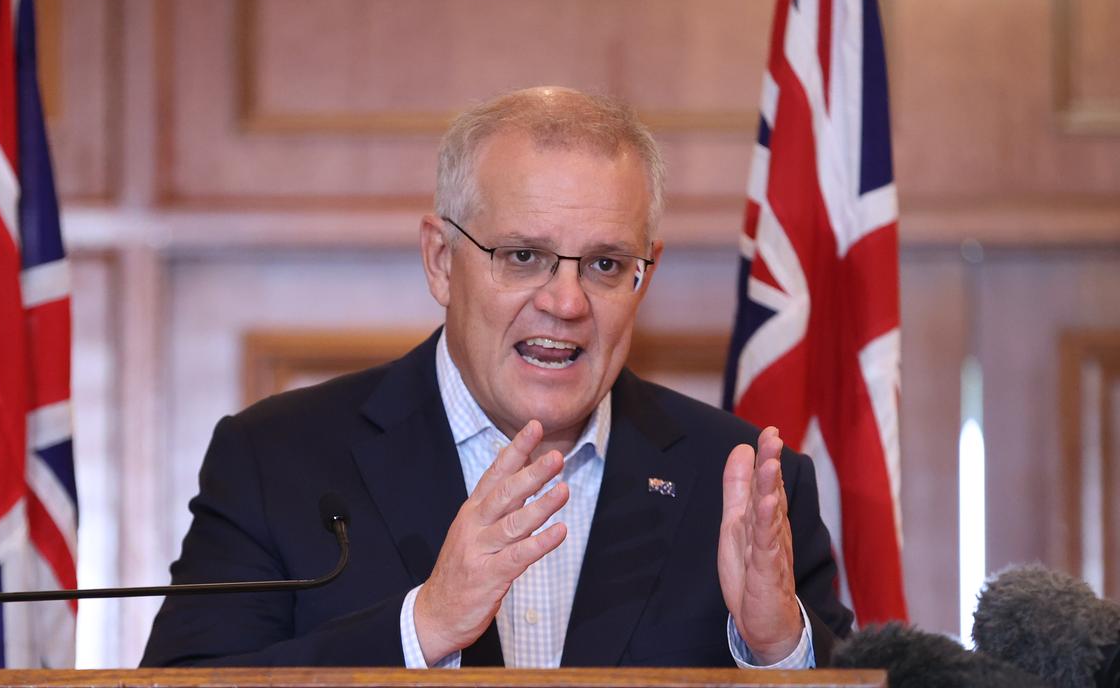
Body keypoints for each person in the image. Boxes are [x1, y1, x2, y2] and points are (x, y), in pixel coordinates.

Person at [141, 87, 853, 669]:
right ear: (441, 262)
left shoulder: (745, 483)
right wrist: (421, 628)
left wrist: (776, 651)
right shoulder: (277, 461)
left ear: (645, 273)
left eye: (605, 264)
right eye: (522, 256)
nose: (566, 302)